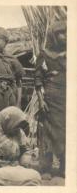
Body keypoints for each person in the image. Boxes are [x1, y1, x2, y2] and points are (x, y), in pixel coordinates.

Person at [0, 106, 41, 186]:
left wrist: (23, 164)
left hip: (14, 168)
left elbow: (26, 150)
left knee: (35, 175)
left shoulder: (20, 132)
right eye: (16, 125)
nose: (17, 128)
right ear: (8, 121)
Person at [35, 20, 66, 179]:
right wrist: (41, 100)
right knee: (47, 131)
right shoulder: (45, 54)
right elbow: (38, 78)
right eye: (60, 33)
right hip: (50, 96)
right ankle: (45, 167)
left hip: (67, 97)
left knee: (66, 131)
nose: (65, 36)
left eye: (66, 32)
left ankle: (64, 167)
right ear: (53, 36)